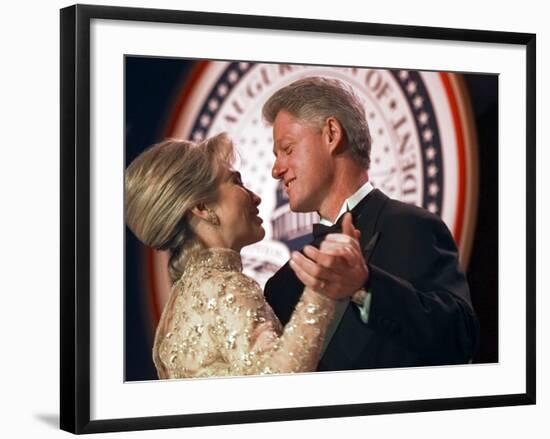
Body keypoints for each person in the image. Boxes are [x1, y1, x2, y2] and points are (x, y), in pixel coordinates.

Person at [262, 76, 480, 370]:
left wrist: (365, 286)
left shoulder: (412, 228)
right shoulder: (283, 284)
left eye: (287, 149)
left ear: (331, 134)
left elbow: (460, 339)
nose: (277, 169)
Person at [125, 133, 343, 379]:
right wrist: (323, 290)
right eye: (236, 182)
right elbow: (275, 380)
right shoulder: (224, 288)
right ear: (202, 208)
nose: (256, 197)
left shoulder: (181, 300)